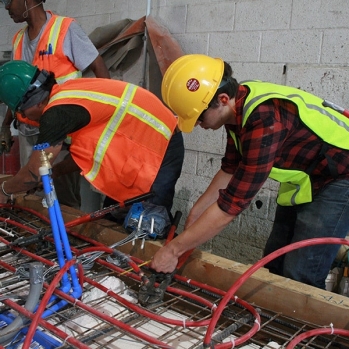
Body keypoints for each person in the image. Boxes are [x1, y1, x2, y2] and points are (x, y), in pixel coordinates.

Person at [150, 53, 349, 290]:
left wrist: (173, 250)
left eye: (198, 116)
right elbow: (231, 169)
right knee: (274, 263)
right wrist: (196, 212)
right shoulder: (238, 110)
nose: (196, 124)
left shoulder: (264, 119)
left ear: (222, 99)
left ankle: (311, 322)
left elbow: (231, 206)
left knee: (301, 273)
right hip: (308, 177)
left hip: (339, 175)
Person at [0, 61, 180, 217]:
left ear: (36, 101)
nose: (25, 117)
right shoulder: (66, 96)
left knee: (146, 226)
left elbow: (34, 173)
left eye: (22, 111)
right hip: (142, 148)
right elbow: (87, 151)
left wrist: (4, 190)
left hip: (161, 144)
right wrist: (57, 172)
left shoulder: (56, 113)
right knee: (115, 219)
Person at [0, 0, 110, 208]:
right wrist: (5, 125)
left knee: (63, 200)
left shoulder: (65, 29)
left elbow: (98, 66)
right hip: (28, 133)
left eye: (9, 0)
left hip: (60, 134)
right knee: (30, 192)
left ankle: (64, 239)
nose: (6, 7)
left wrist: (103, 116)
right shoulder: (18, 39)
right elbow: (18, 93)